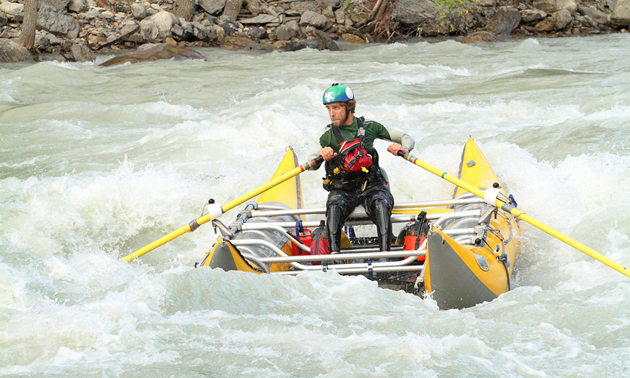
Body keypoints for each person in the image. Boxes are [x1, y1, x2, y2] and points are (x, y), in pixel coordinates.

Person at [307, 84, 415, 255]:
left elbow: (405, 138)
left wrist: (404, 149)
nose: (331, 113)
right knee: (334, 205)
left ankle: (385, 256)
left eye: (336, 108)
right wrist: (321, 155)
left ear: (349, 106)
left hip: (371, 185)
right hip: (343, 188)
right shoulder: (326, 134)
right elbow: (311, 164)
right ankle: (335, 256)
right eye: (328, 108)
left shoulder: (370, 127)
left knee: (380, 203)